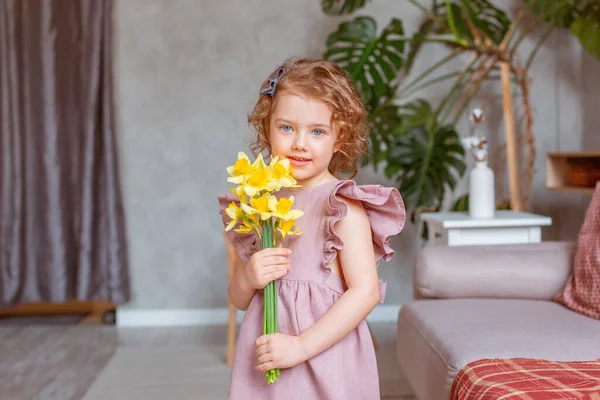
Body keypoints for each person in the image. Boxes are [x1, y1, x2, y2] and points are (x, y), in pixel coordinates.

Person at [217, 58, 406, 399]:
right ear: (266, 129)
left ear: (339, 139)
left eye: (317, 131)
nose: (300, 143)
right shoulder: (262, 201)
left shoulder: (342, 207)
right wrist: (248, 278)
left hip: (325, 356)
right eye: (286, 128)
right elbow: (239, 298)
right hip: (269, 353)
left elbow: (365, 293)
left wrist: (301, 347)